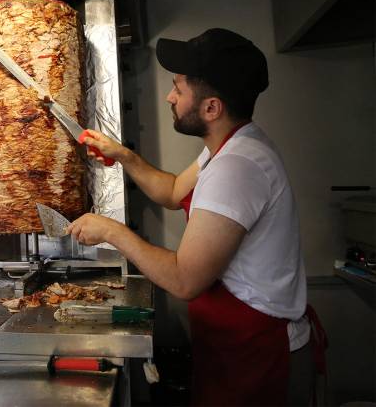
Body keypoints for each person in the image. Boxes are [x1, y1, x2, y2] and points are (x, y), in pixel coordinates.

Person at [67, 28, 320, 405]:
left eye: (179, 89)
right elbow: (172, 192)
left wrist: (111, 231)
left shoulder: (237, 167)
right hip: (232, 346)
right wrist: (123, 155)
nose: (170, 96)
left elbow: (186, 280)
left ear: (211, 108)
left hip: (258, 355)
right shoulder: (231, 144)